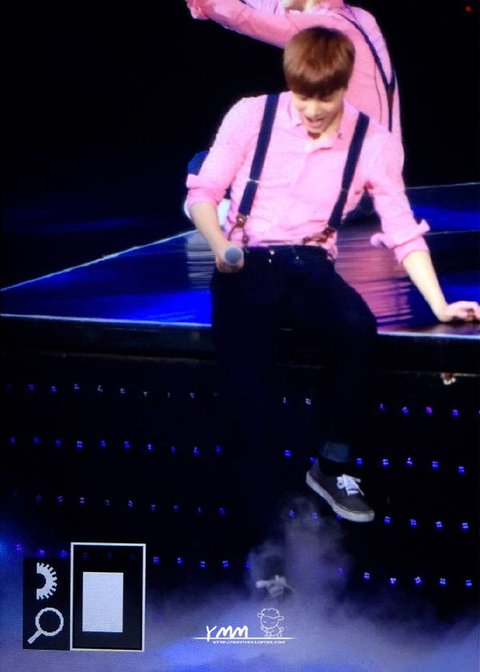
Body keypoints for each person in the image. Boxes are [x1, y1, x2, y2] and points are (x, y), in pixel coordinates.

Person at [185, 27, 479, 562]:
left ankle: (332, 464)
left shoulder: (373, 141)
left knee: (356, 328)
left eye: (325, 97)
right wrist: (222, 245)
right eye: (303, 96)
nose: (313, 110)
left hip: (310, 262)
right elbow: (204, 192)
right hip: (246, 262)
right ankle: (267, 556)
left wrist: (439, 304)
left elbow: (401, 228)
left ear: (344, 86)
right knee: (250, 405)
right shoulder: (252, 115)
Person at [186, 0, 402, 141]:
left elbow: (247, 19)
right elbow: (272, 9)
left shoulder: (326, 26)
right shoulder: (360, 18)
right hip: (378, 170)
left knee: (205, 166)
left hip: (350, 174)